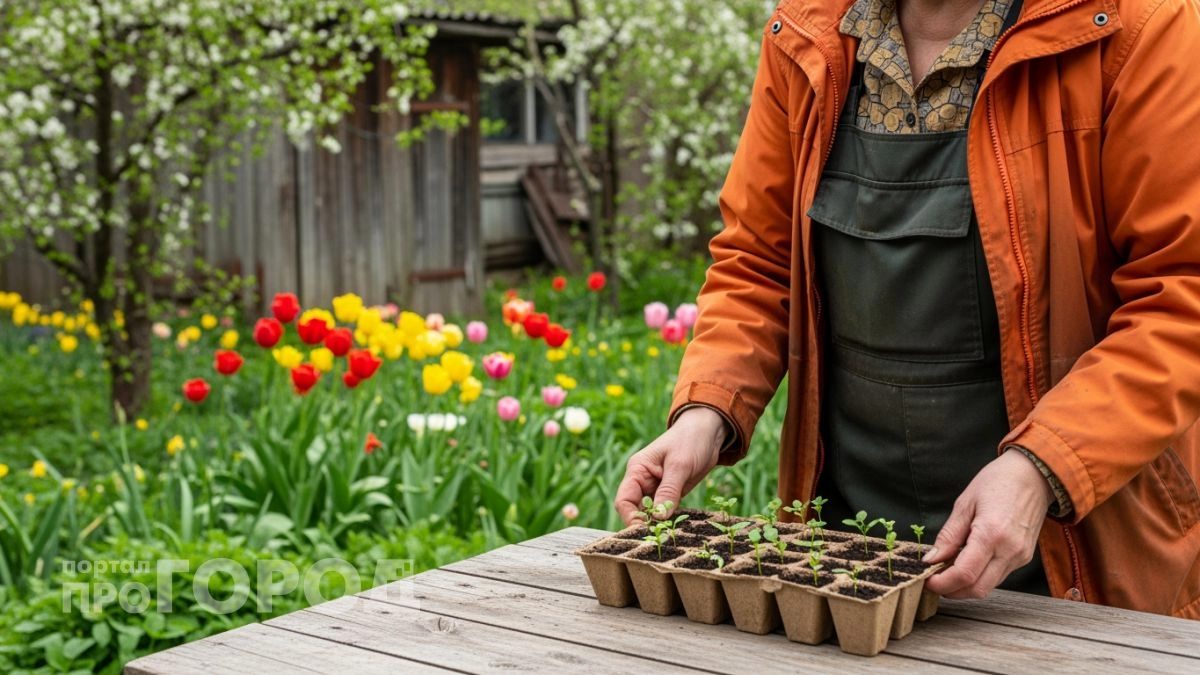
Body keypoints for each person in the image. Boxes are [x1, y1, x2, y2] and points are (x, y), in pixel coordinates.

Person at [615, 0, 1200, 618]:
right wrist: (708, 410)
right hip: (842, 557)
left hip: (1071, 545)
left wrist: (1042, 465)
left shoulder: (1136, 26)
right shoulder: (808, 34)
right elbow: (759, 260)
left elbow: (1182, 297)